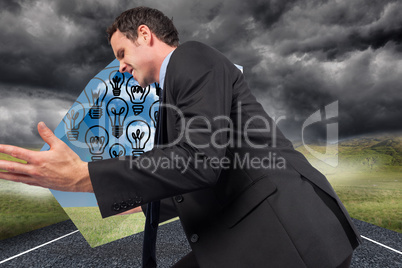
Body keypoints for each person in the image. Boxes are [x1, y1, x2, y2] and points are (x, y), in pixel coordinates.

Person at [0, 6, 360, 268]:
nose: (121, 66)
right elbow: (211, 168)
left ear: (145, 34)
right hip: (272, 235)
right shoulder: (173, 96)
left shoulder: (190, 56)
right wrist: (139, 199)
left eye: (121, 53)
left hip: (288, 236)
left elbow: (198, 161)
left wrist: (85, 176)